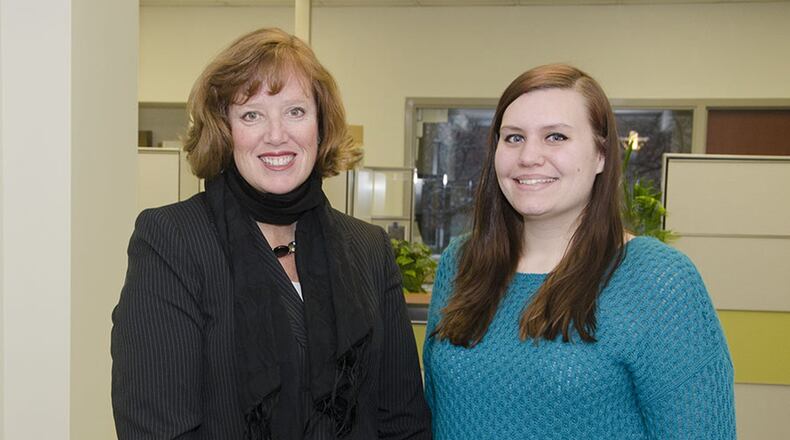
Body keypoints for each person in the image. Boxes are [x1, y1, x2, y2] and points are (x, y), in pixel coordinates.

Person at [112, 28, 431, 440]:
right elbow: (157, 429)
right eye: (252, 114)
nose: (277, 134)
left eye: (295, 111)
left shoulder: (368, 248)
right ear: (225, 129)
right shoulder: (172, 241)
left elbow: (403, 421)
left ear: (321, 125)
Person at [423, 64, 735, 439]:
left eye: (555, 136)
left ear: (601, 154)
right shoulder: (462, 262)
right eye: (514, 137)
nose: (529, 156)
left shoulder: (659, 279)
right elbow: (435, 414)